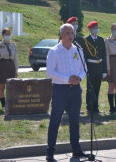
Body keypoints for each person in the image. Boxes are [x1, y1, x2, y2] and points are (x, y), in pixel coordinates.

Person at [46, 23, 87, 162]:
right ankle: (50, 152)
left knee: (75, 121)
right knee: (55, 121)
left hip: (75, 90)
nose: (71, 35)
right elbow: (50, 72)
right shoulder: (54, 51)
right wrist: (67, 79)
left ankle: (76, 149)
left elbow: (84, 68)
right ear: (62, 35)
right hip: (60, 90)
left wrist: (79, 78)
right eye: (68, 33)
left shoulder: (78, 50)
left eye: (72, 33)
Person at [83, 21, 107, 114]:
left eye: (97, 27)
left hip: (99, 67)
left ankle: (95, 107)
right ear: (90, 29)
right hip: (90, 67)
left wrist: (104, 70)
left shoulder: (101, 40)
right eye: (94, 28)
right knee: (90, 88)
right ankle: (89, 107)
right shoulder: (86, 40)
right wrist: (85, 70)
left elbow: (104, 56)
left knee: (97, 87)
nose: (96, 29)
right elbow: (85, 56)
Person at [0, 28, 18, 110]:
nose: (8, 36)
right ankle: (4, 105)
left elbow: (16, 59)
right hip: (3, 66)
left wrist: (16, 70)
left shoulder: (13, 46)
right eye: (6, 34)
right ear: (3, 35)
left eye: (9, 34)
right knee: (2, 87)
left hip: (11, 66)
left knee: (12, 86)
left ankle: (11, 103)